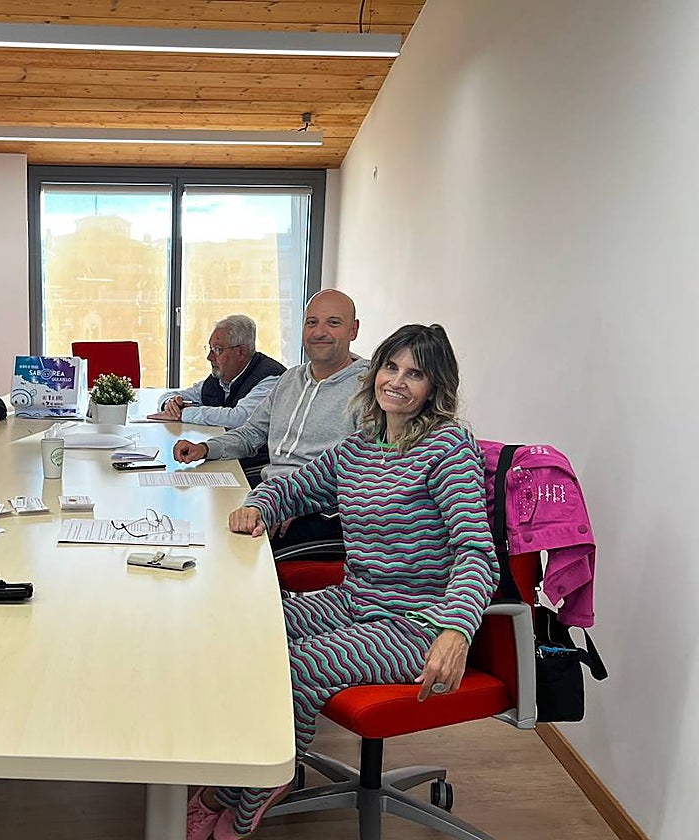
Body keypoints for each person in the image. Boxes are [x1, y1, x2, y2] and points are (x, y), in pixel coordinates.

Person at [185, 324, 499, 840]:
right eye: (391, 367)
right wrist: (258, 506)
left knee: (296, 665)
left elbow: (475, 553)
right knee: (246, 627)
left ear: (435, 387)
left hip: (418, 623)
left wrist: (457, 629)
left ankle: (253, 790)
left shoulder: (448, 449)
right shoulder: (361, 446)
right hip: (357, 600)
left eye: (415, 373)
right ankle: (237, 772)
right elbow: (296, 487)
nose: (397, 381)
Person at [173, 290, 367, 546]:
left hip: (316, 510)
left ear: (353, 330)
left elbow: (362, 472)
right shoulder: (290, 379)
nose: (320, 332)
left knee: (222, 543)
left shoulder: (369, 389)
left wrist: (293, 502)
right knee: (194, 513)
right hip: (270, 493)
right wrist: (206, 448)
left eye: (333, 323)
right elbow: (251, 433)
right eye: (312, 322)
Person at [148, 314, 284, 431]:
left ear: (241, 351)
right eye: (210, 349)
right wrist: (170, 404)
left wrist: (183, 413)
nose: (209, 357)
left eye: (218, 350)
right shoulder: (221, 377)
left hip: (260, 453)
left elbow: (241, 418)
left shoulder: (270, 377)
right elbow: (177, 395)